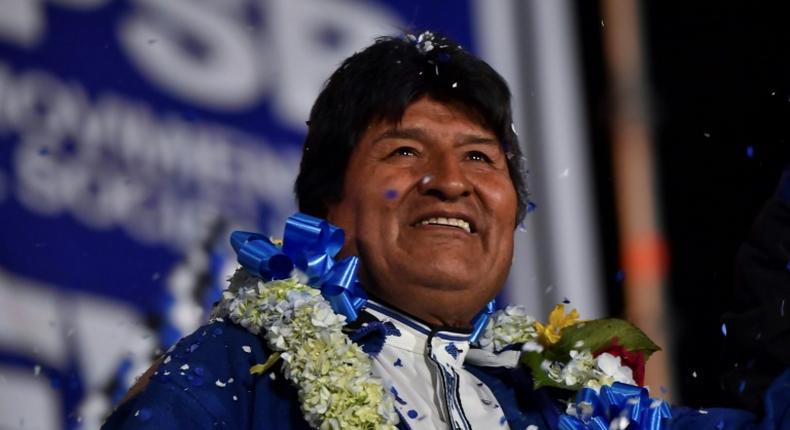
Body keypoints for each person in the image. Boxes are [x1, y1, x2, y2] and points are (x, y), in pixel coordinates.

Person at [102, 32, 790, 430]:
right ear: (327, 208)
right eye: (404, 151)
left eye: (479, 157)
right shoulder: (236, 370)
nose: (450, 180)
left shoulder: (568, 405)